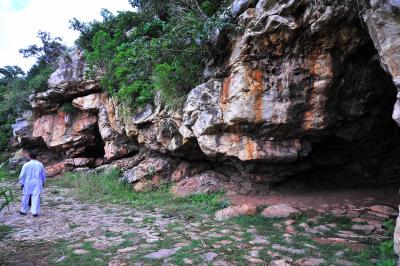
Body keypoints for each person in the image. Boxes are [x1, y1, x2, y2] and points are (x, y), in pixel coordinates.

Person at [19, 150, 46, 217]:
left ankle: (23, 211)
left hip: (28, 182)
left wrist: (21, 183)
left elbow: (22, 175)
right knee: (36, 197)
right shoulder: (40, 164)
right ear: (36, 157)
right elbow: (43, 174)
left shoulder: (26, 164)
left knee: (25, 196)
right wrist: (43, 181)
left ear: (29, 156)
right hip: (37, 182)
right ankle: (34, 212)